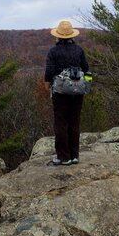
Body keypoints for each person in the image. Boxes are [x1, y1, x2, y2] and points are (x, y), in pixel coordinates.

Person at [44, 20, 89, 166]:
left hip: (60, 92)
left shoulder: (53, 51)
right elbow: (86, 69)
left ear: (58, 35)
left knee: (61, 123)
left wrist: (47, 85)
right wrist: (86, 85)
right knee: (74, 122)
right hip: (77, 91)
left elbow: (49, 71)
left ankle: (63, 157)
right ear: (71, 36)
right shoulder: (79, 50)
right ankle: (74, 155)